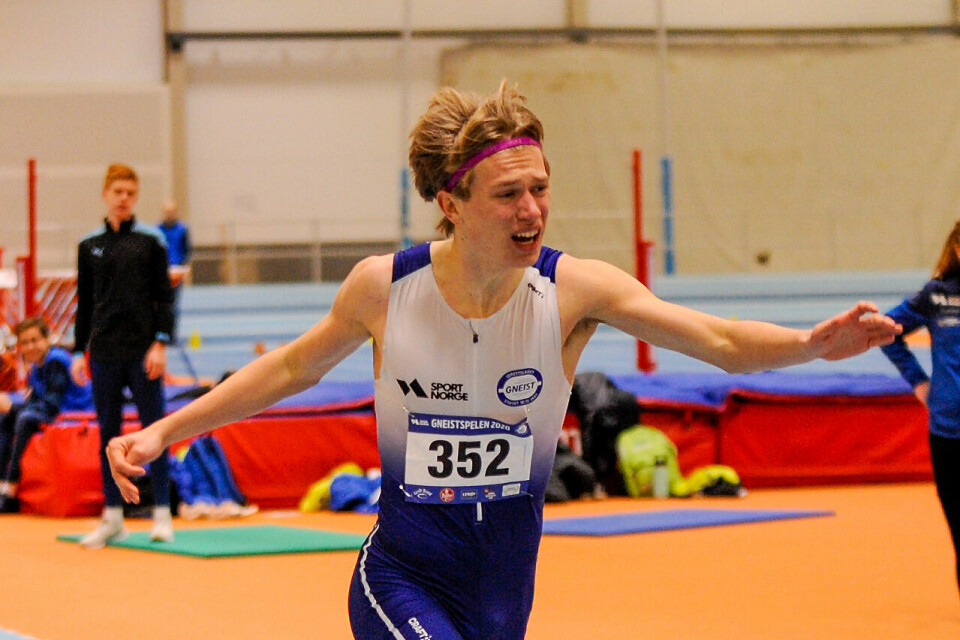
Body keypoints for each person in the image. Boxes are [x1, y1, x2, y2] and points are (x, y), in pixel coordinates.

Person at [106, 83, 900, 639]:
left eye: (541, 189)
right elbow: (287, 371)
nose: (532, 210)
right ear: (451, 204)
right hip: (402, 577)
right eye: (508, 195)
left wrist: (808, 345)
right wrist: (163, 432)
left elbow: (718, 340)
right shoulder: (385, 289)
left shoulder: (572, 290)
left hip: (503, 593)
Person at [72, 163, 176, 548]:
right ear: (105, 194)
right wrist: (77, 351)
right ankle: (113, 517)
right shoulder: (89, 246)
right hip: (103, 352)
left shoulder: (151, 242)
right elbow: (85, 303)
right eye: (118, 192)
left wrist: (161, 343)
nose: (124, 199)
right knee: (108, 433)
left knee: (156, 428)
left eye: (131, 193)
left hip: (142, 352)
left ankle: (163, 513)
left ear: (136, 196)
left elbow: (165, 297)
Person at [880, 218, 960, 600]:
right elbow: (888, 332)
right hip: (948, 430)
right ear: (957, 249)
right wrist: (919, 382)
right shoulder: (937, 296)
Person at [0, 317, 92, 513]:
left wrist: (12, 408)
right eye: (25, 342)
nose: (31, 346)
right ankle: (2, 482)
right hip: (56, 412)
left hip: (76, 412)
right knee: (6, 419)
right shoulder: (36, 368)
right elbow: (34, 403)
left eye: (35, 340)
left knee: (24, 419)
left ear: (47, 339)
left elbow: (51, 406)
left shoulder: (56, 360)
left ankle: (11, 488)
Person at [158, 200, 191, 343]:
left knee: (173, 304)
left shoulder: (182, 229)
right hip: (161, 272)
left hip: (176, 271)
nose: (169, 214)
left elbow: (186, 249)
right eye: (167, 211)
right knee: (161, 304)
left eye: (172, 211)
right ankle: (161, 334)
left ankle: (172, 335)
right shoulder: (157, 230)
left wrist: (181, 266)